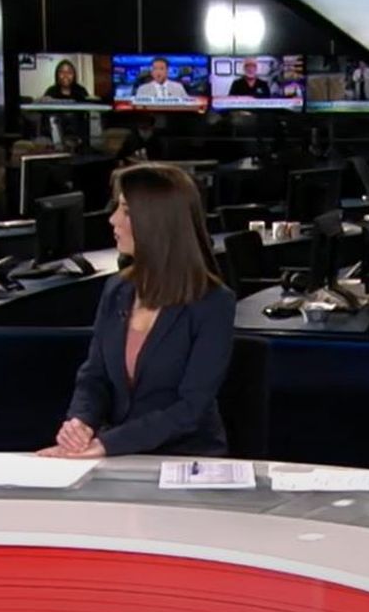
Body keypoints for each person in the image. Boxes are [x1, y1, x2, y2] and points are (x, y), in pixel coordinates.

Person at [41, 164, 236, 458]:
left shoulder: (213, 303)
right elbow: (94, 376)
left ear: (157, 222)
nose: (113, 220)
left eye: (126, 212)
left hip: (184, 457)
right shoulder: (117, 290)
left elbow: (191, 408)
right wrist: (81, 423)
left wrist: (109, 444)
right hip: (118, 455)